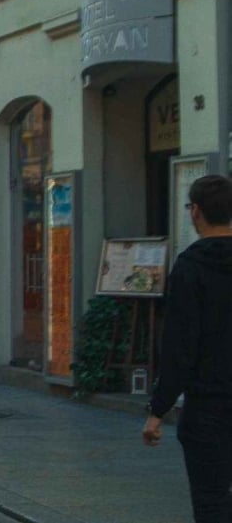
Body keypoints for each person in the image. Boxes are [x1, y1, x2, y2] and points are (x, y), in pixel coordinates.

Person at [143, 173, 232, 522]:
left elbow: (180, 346)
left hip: (208, 408)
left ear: (195, 211)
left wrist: (157, 411)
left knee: (211, 502)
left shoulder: (190, 268)